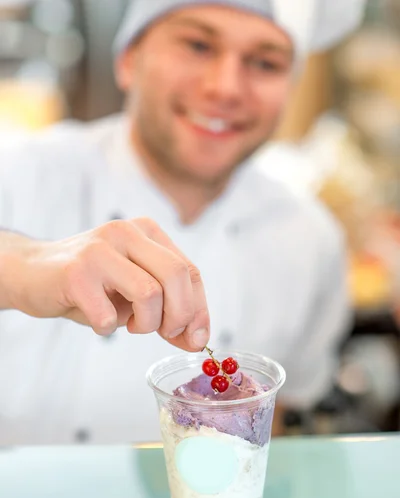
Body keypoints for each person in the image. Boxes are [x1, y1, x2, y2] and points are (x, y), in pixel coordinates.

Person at [0, 0, 366, 444]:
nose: (226, 87)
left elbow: (280, 421)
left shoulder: (310, 240)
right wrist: (22, 268)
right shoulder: (19, 175)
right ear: (129, 60)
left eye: (266, 63)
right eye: (197, 45)